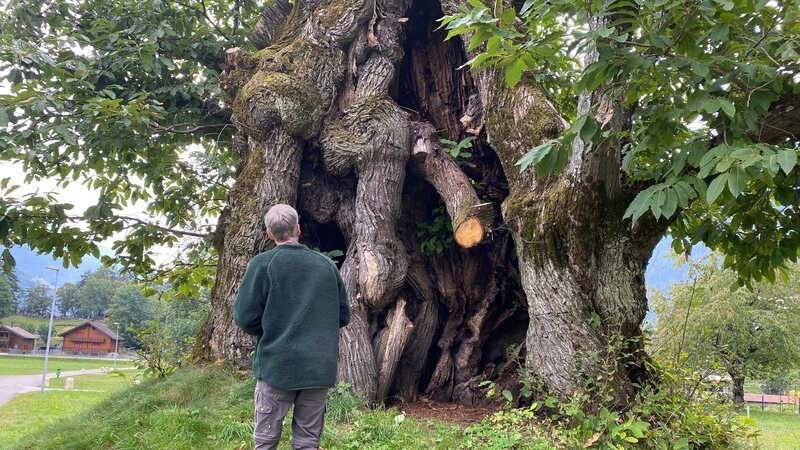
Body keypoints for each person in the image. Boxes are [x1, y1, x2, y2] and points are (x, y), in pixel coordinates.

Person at [234, 203, 350, 450]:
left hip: (277, 367)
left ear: (269, 233)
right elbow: (342, 315)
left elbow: (245, 317)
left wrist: (272, 330)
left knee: (265, 441)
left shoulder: (262, 264)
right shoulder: (326, 265)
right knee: (308, 442)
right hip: (317, 369)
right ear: (298, 229)